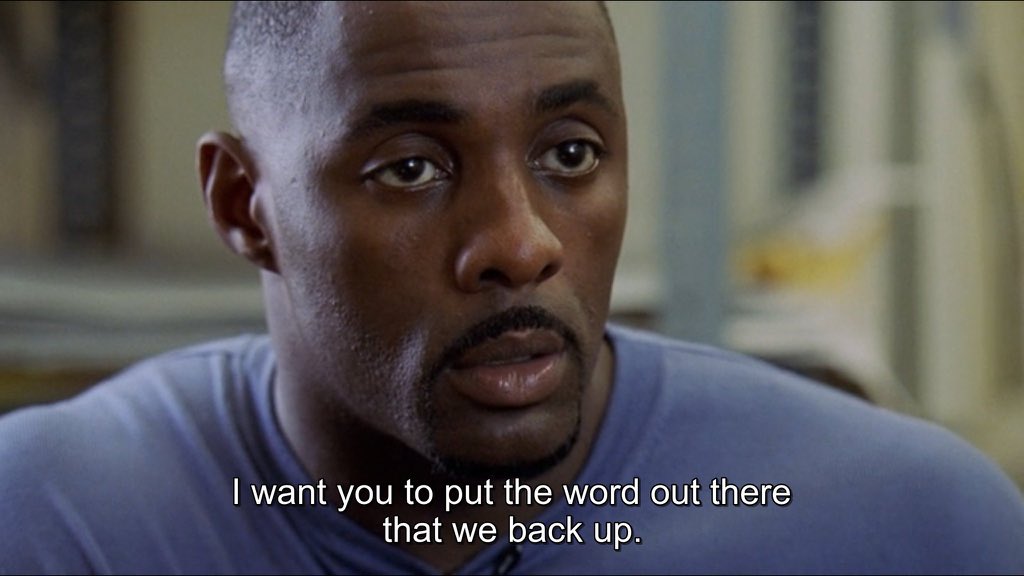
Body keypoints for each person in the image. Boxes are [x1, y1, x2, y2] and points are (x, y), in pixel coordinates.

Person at [1, 1, 1023, 573]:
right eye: (410, 168)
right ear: (244, 206)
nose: (520, 245)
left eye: (570, 153)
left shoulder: (914, 527)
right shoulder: (50, 527)